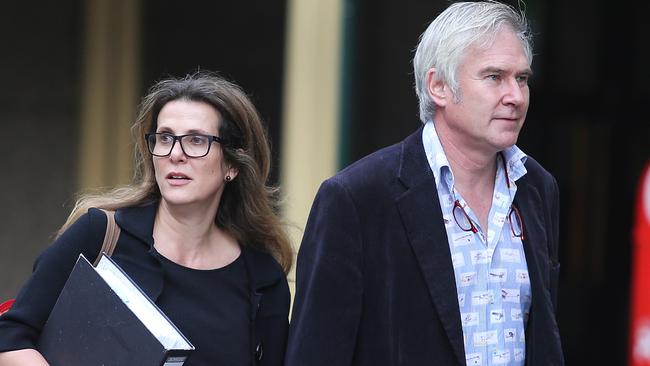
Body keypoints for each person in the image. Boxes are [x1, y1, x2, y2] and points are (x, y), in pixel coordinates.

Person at [285, 2, 564, 365]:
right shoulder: (357, 197)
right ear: (439, 87)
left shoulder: (538, 188)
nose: (515, 96)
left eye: (522, 78)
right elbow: (316, 353)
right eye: (494, 76)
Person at [0, 72, 293, 366]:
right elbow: (10, 335)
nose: (176, 154)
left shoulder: (262, 280)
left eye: (196, 140)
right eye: (165, 138)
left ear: (232, 163)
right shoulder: (99, 235)